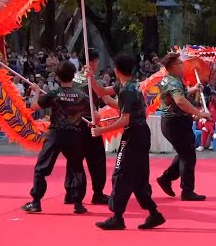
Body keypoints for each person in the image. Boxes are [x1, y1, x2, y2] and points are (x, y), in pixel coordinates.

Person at [91, 53, 165, 230]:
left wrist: (102, 130)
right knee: (139, 177)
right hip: (139, 134)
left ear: (116, 70)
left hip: (134, 135)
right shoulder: (127, 86)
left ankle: (117, 216)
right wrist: (91, 78)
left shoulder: (128, 90)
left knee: (121, 172)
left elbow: (125, 119)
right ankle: (154, 213)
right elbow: (102, 92)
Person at [21, 61, 91, 215]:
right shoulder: (82, 96)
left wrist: (37, 91)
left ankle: (36, 202)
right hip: (74, 134)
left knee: (41, 168)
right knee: (77, 168)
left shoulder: (54, 94)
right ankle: (78, 204)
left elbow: (33, 107)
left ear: (58, 77)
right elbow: (96, 116)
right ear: (73, 76)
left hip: (55, 134)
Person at [155, 52, 211, 201]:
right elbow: (179, 100)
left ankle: (166, 178)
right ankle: (187, 190)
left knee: (184, 153)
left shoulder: (171, 80)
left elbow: (182, 94)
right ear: (173, 66)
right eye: (180, 63)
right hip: (175, 122)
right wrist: (199, 113)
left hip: (175, 122)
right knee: (188, 156)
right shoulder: (172, 82)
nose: (183, 65)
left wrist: (193, 89)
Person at [64, 48, 109, 206]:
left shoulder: (72, 78)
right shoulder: (90, 80)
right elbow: (98, 99)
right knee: (97, 159)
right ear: (93, 62)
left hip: (72, 124)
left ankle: (70, 192)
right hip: (88, 123)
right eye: (96, 61)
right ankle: (98, 193)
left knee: (74, 160)